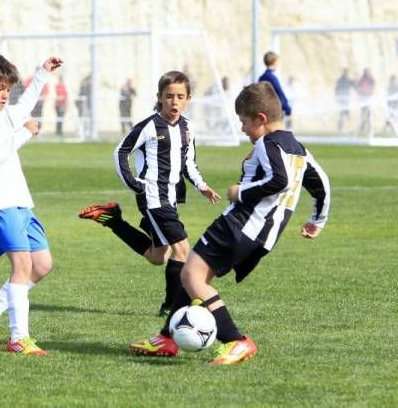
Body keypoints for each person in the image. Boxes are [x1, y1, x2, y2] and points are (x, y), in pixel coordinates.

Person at [129, 81, 331, 365]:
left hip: (240, 224)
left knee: (190, 277)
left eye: (244, 122)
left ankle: (237, 340)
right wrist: (317, 219)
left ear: (260, 119)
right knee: (196, 276)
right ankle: (167, 337)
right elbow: (321, 183)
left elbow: (280, 181)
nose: (243, 128)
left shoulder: (267, 143)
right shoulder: (298, 148)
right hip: (262, 233)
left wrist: (241, 191)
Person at [78, 70, 221, 317]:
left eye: (180, 96)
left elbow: (189, 163)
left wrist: (202, 185)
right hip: (153, 197)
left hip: (171, 197)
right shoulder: (149, 126)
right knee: (182, 250)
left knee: (158, 256)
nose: (174, 102)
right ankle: (171, 307)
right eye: (169, 96)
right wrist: (135, 184)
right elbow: (121, 152)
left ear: (188, 98)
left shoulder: (188, 128)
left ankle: (114, 220)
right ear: (160, 97)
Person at [0, 53, 63, 355]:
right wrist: (24, 133)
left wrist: (42, 72)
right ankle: (19, 339)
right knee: (22, 266)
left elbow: (24, 105)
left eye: (7, 88)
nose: (5, 94)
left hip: (19, 201)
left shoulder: (1, 111)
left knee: (42, 265)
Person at [258, 52, 292, 119]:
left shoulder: (261, 78)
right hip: (275, 111)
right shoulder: (272, 77)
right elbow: (279, 93)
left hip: (265, 110)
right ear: (274, 61)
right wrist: (288, 109)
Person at [356, 68, 375, 135]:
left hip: (369, 99)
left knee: (369, 115)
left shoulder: (371, 79)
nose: (366, 73)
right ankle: (362, 128)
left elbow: (373, 87)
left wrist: (370, 93)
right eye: (365, 72)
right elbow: (358, 88)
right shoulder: (361, 79)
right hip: (363, 99)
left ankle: (370, 129)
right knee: (363, 115)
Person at [335, 68, 353, 133]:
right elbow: (337, 89)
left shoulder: (349, 80)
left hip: (347, 100)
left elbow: (355, 86)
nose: (346, 73)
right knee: (342, 114)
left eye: (347, 72)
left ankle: (347, 128)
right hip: (342, 100)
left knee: (347, 114)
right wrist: (337, 97)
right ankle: (340, 128)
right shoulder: (340, 80)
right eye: (345, 72)